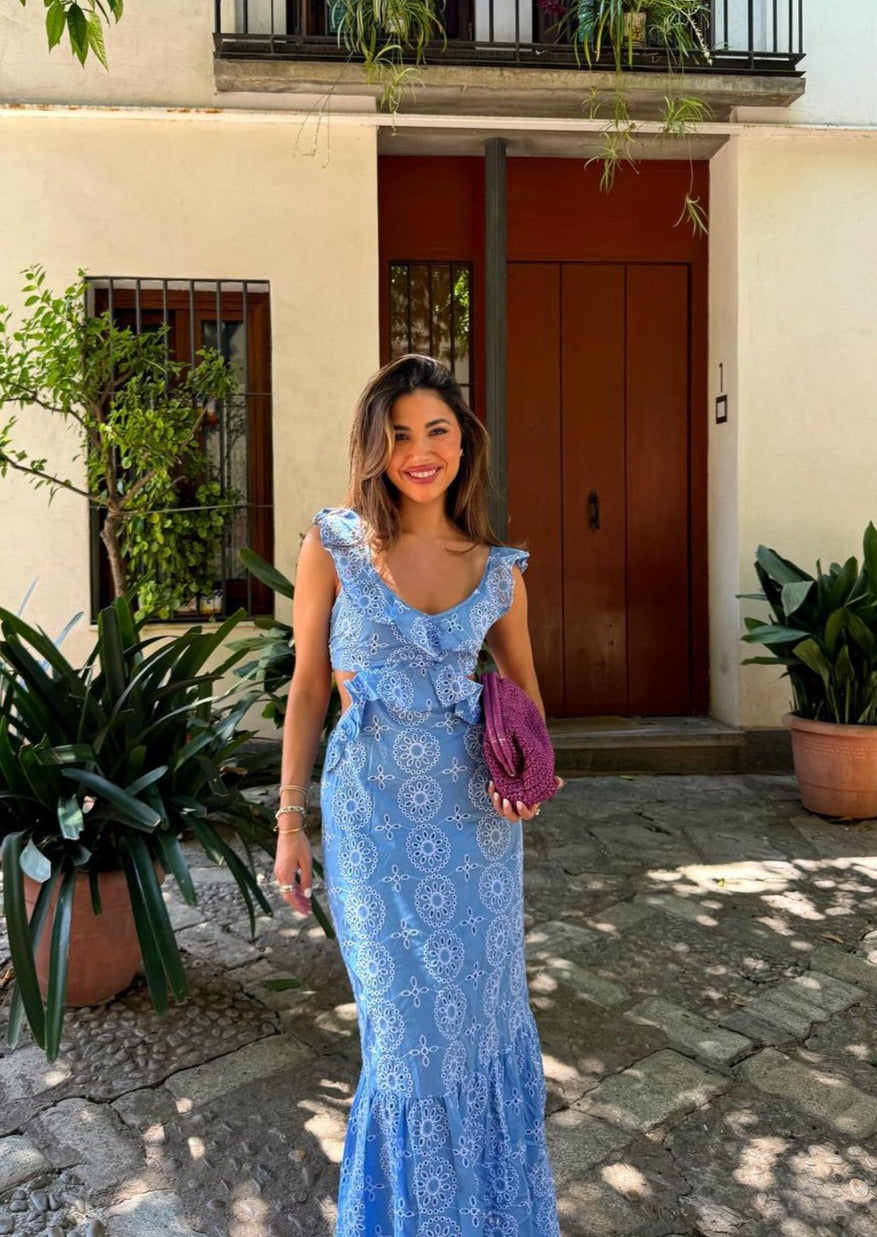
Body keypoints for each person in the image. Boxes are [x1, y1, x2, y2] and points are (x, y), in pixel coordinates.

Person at [274, 353, 562, 1236]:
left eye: (436, 430)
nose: (419, 451)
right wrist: (289, 821)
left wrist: (527, 785)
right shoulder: (332, 545)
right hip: (372, 828)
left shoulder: (497, 570)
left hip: (475, 831)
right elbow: (307, 688)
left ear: (463, 443)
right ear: (375, 448)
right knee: (403, 1044)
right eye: (398, 435)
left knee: (477, 1027)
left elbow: (526, 697)